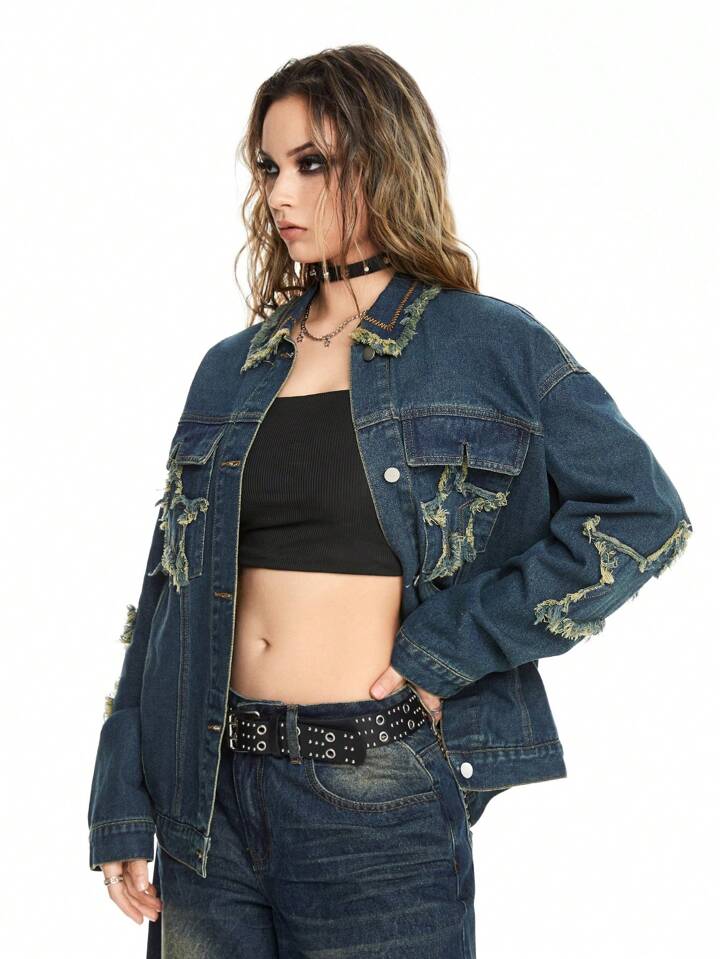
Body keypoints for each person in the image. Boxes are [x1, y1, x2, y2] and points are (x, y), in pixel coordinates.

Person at [87, 44, 693, 958]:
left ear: (381, 160)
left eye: (311, 163)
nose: (280, 194)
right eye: (269, 168)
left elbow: (643, 513)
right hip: (205, 794)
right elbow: (167, 586)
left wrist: (447, 651)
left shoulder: (488, 344)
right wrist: (121, 793)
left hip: (371, 783)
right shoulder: (230, 368)